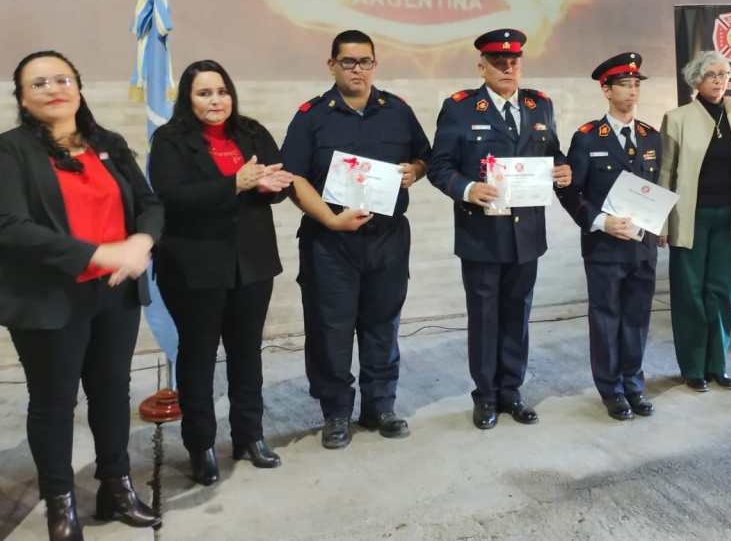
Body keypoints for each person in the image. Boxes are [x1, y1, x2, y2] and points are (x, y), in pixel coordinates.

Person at [0, 51, 162, 541]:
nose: (53, 88)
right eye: (39, 83)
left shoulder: (107, 143)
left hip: (115, 294)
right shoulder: (10, 151)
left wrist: (141, 241)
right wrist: (99, 252)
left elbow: (150, 203)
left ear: (78, 87)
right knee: (54, 402)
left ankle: (116, 487)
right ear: (22, 98)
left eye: (62, 79)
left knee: (112, 392)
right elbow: (10, 225)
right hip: (49, 298)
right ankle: (60, 502)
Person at [281, 30, 431, 449]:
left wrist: (414, 171)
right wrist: (331, 221)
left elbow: (424, 156)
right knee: (330, 329)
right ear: (332, 65)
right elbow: (293, 178)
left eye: (365, 61)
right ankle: (335, 413)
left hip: (387, 239)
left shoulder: (397, 110)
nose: (357, 69)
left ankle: (380, 406)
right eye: (348, 61)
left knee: (383, 324)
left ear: (374, 65)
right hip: (330, 243)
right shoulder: (311, 116)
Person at [149, 60, 293, 485]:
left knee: (247, 353)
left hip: (252, 262)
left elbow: (276, 181)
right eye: (204, 93)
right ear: (188, 98)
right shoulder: (170, 139)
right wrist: (235, 183)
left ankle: (250, 436)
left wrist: (270, 186)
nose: (216, 101)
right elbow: (172, 197)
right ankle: (201, 446)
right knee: (198, 357)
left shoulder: (251, 132)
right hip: (194, 266)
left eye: (222, 91)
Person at [428, 29, 572, 429]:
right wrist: (468, 189)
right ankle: (486, 395)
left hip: (527, 234)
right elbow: (439, 167)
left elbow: (551, 152)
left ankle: (512, 391)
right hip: (481, 234)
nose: (507, 68)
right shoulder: (460, 108)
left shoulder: (540, 105)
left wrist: (562, 168)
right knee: (485, 317)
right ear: (482, 67)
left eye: (513, 62)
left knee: (518, 316)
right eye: (498, 62)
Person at [559, 53, 660, 420]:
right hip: (604, 246)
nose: (632, 91)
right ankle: (611, 390)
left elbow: (658, 187)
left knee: (637, 318)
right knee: (606, 319)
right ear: (606, 90)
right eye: (624, 85)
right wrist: (601, 221)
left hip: (642, 246)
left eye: (636, 85)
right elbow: (570, 192)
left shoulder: (651, 136)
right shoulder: (587, 138)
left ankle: (633, 384)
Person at [657, 50, 731, 391]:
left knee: (721, 291)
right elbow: (665, 173)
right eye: (712, 75)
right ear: (696, 80)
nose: (719, 81)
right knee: (690, 294)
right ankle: (693, 367)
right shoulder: (677, 118)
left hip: (729, 216)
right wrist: (661, 222)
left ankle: (718, 364)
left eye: (724, 74)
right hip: (690, 218)